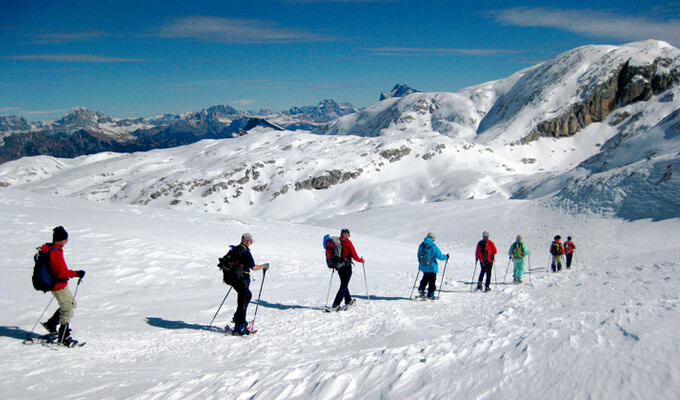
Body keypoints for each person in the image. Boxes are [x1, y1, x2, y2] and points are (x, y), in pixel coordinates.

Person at [40, 226, 86, 346]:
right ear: (60, 240)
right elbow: (61, 272)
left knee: (71, 304)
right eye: (66, 239)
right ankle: (63, 336)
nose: (66, 242)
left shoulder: (54, 249)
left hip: (59, 284)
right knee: (67, 306)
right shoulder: (55, 252)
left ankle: (51, 323)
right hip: (57, 285)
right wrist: (76, 273)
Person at [226, 233, 269, 335]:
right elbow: (253, 267)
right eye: (251, 241)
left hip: (233, 279)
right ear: (248, 241)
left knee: (246, 297)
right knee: (243, 301)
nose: (251, 243)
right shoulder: (245, 252)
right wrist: (264, 266)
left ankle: (238, 319)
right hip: (241, 280)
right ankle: (240, 327)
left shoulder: (235, 249)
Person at [331, 228, 364, 311]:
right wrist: (361, 260)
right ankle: (336, 304)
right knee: (344, 285)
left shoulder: (337, 242)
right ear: (347, 234)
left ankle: (348, 301)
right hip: (346, 265)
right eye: (349, 234)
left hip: (339, 266)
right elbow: (354, 255)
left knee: (344, 283)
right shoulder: (347, 242)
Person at [417, 232, 449, 299]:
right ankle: (430, 294)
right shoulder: (433, 247)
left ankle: (421, 289)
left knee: (425, 278)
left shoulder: (422, 245)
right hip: (432, 266)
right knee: (432, 281)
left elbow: (418, 255)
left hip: (424, 266)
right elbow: (439, 256)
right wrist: (446, 257)